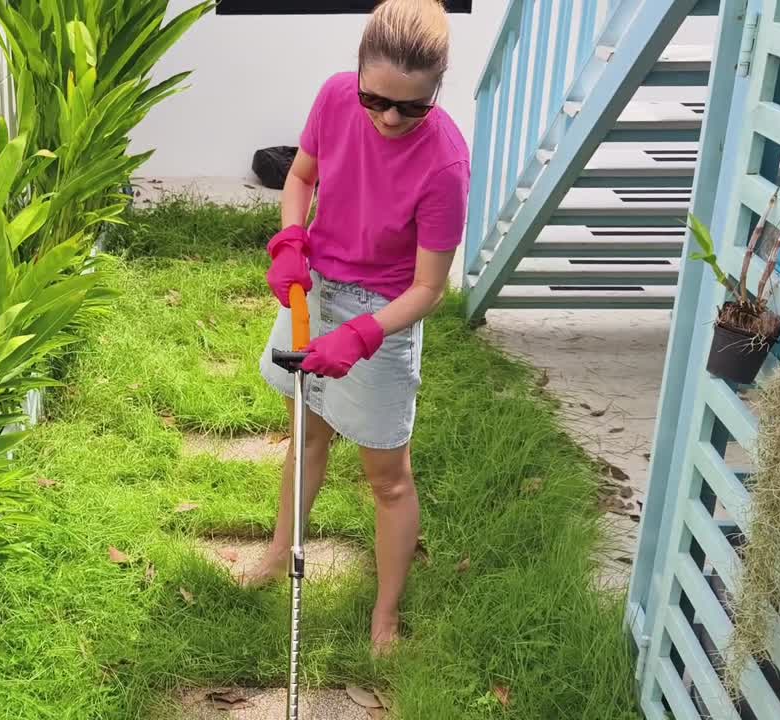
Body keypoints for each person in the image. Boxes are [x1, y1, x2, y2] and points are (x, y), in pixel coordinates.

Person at [245, 0, 471, 656]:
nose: (390, 118)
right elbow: (300, 175)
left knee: (388, 477)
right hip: (314, 288)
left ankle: (385, 615)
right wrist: (292, 238)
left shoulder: (445, 164)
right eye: (377, 100)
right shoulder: (335, 98)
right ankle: (277, 554)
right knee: (307, 436)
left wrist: (364, 335)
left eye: (412, 107)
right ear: (359, 74)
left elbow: (429, 288)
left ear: (437, 90)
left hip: (383, 311)